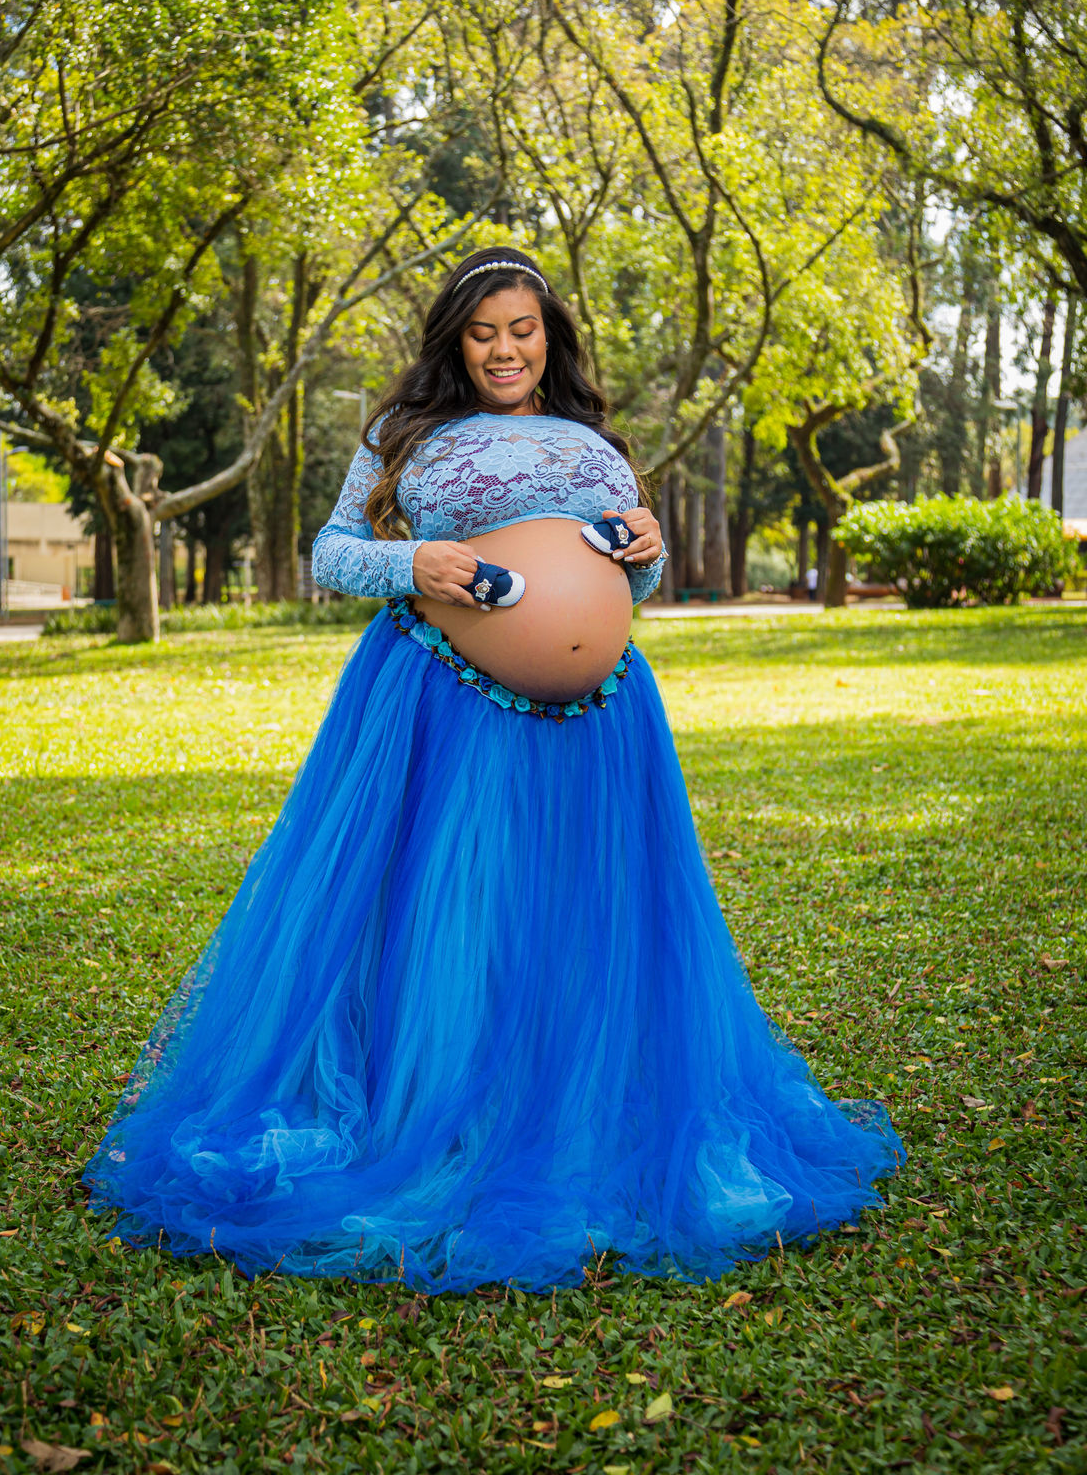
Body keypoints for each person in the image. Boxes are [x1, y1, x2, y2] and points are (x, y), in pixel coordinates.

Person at [83, 247, 903, 1293]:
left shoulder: (596, 442)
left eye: (523, 329)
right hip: (446, 708)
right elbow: (332, 554)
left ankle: (576, 1112)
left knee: (579, 920)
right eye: (483, 332)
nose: (505, 349)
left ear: (548, 336)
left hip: (601, 727)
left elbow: (634, 571)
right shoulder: (402, 435)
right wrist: (412, 563)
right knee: (451, 914)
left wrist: (645, 548)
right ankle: (441, 1113)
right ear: (455, 343)